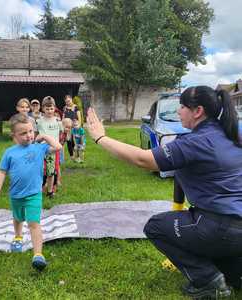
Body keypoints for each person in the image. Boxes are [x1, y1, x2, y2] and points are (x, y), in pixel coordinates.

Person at [86, 86, 242, 299]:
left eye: (182, 106)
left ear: (197, 111)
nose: (178, 111)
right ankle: (227, 272)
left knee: (156, 226)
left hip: (218, 227)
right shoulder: (232, 134)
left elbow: (143, 159)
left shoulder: (194, 142)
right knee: (234, 276)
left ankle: (208, 280)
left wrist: (100, 138)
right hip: (234, 229)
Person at [0, 113, 62, 271]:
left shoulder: (39, 148)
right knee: (17, 218)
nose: (29, 135)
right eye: (23, 133)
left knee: (34, 223)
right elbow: (2, 172)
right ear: (14, 135)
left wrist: (44, 136)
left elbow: (58, 147)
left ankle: (38, 254)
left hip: (34, 194)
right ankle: (18, 236)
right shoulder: (9, 152)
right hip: (16, 195)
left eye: (30, 131)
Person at [36, 96, 63, 198]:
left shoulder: (57, 121)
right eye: (47, 109)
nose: (49, 111)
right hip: (41, 149)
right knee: (41, 172)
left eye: (51, 108)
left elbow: (61, 134)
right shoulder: (39, 121)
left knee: (51, 172)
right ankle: (38, 190)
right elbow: (35, 135)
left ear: (54, 108)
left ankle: (50, 191)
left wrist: (60, 144)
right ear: (43, 109)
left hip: (53, 149)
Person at [62, 95, 81, 160]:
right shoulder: (65, 108)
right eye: (66, 101)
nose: (68, 102)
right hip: (68, 127)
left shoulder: (76, 107)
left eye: (69, 101)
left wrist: (79, 125)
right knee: (69, 140)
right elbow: (63, 117)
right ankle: (71, 155)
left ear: (71, 99)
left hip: (75, 126)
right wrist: (63, 125)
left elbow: (79, 117)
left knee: (75, 141)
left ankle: (77, 155)